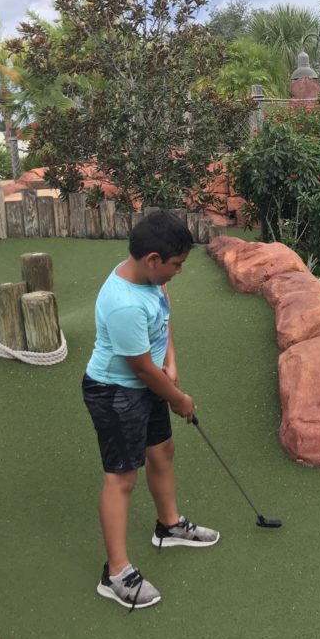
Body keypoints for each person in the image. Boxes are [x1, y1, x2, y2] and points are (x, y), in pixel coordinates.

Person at [81, 211, 218, 611]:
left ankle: (169, 526)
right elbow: (138, 367)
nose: (179, 272)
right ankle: (116, 573)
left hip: (151, 381)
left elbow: (164, 315)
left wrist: (171, 365)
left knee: (162, 450)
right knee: (121, 478)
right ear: (154, 259)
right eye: (176, 265)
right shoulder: (122, 303)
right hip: (115, 393)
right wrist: (179, 399)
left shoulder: (148, 280)